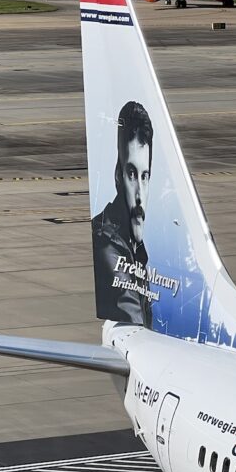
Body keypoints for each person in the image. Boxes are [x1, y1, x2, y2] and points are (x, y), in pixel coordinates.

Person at [92, 100, 154, 326]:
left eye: (145, 176)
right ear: (118, 177)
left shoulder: (134, 247)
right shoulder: (108, 246)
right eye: (131, 174)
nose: (139, 194)